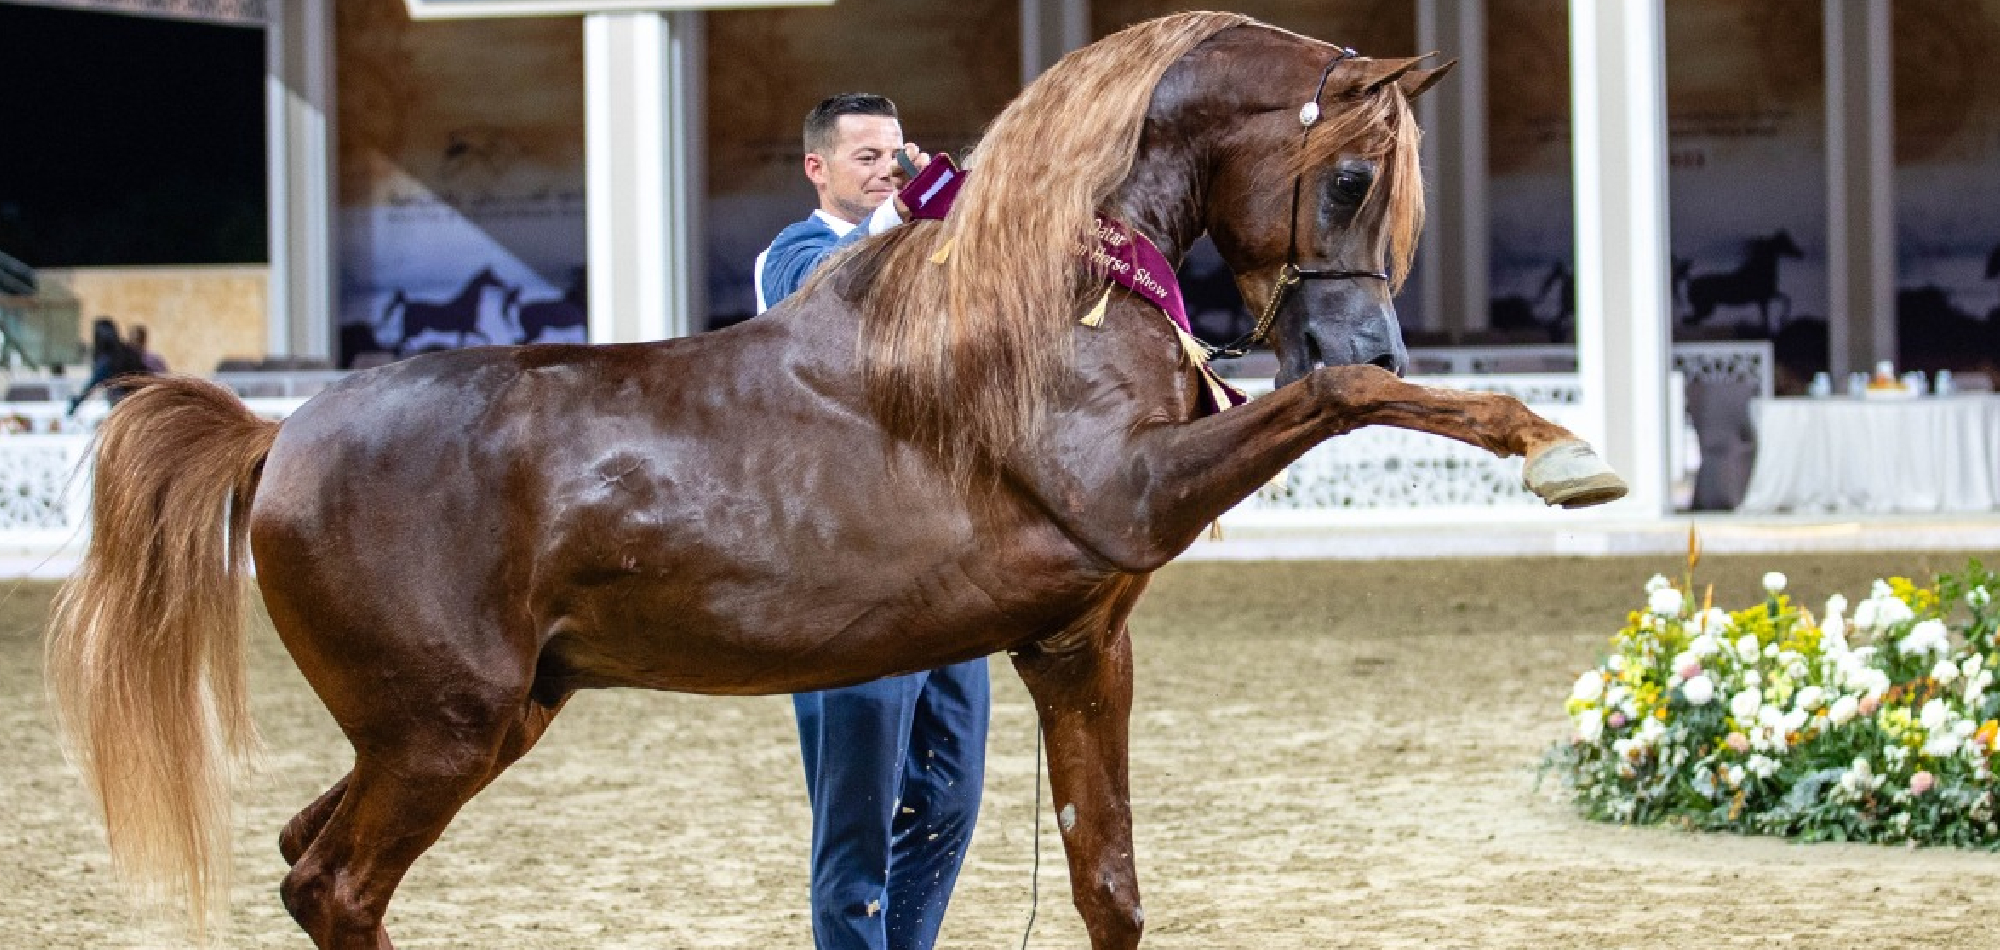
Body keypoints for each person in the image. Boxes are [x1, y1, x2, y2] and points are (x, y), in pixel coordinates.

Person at [756, 93, 990, 950]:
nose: (889, 166)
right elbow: (829, 302)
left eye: (896, 151)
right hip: (844, 579)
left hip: (943, 567)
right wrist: (907, 211)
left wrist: (963, 214)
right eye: (866, 156)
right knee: (855, 820)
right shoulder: (791, 253)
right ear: (817, 169)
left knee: (950, 798)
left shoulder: (928, 250)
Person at [66, 317, 152, 415]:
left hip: (124, 405)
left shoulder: (108, 359)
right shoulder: (127, 352)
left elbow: (93, 384)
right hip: (141, 401)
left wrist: (75, 404)